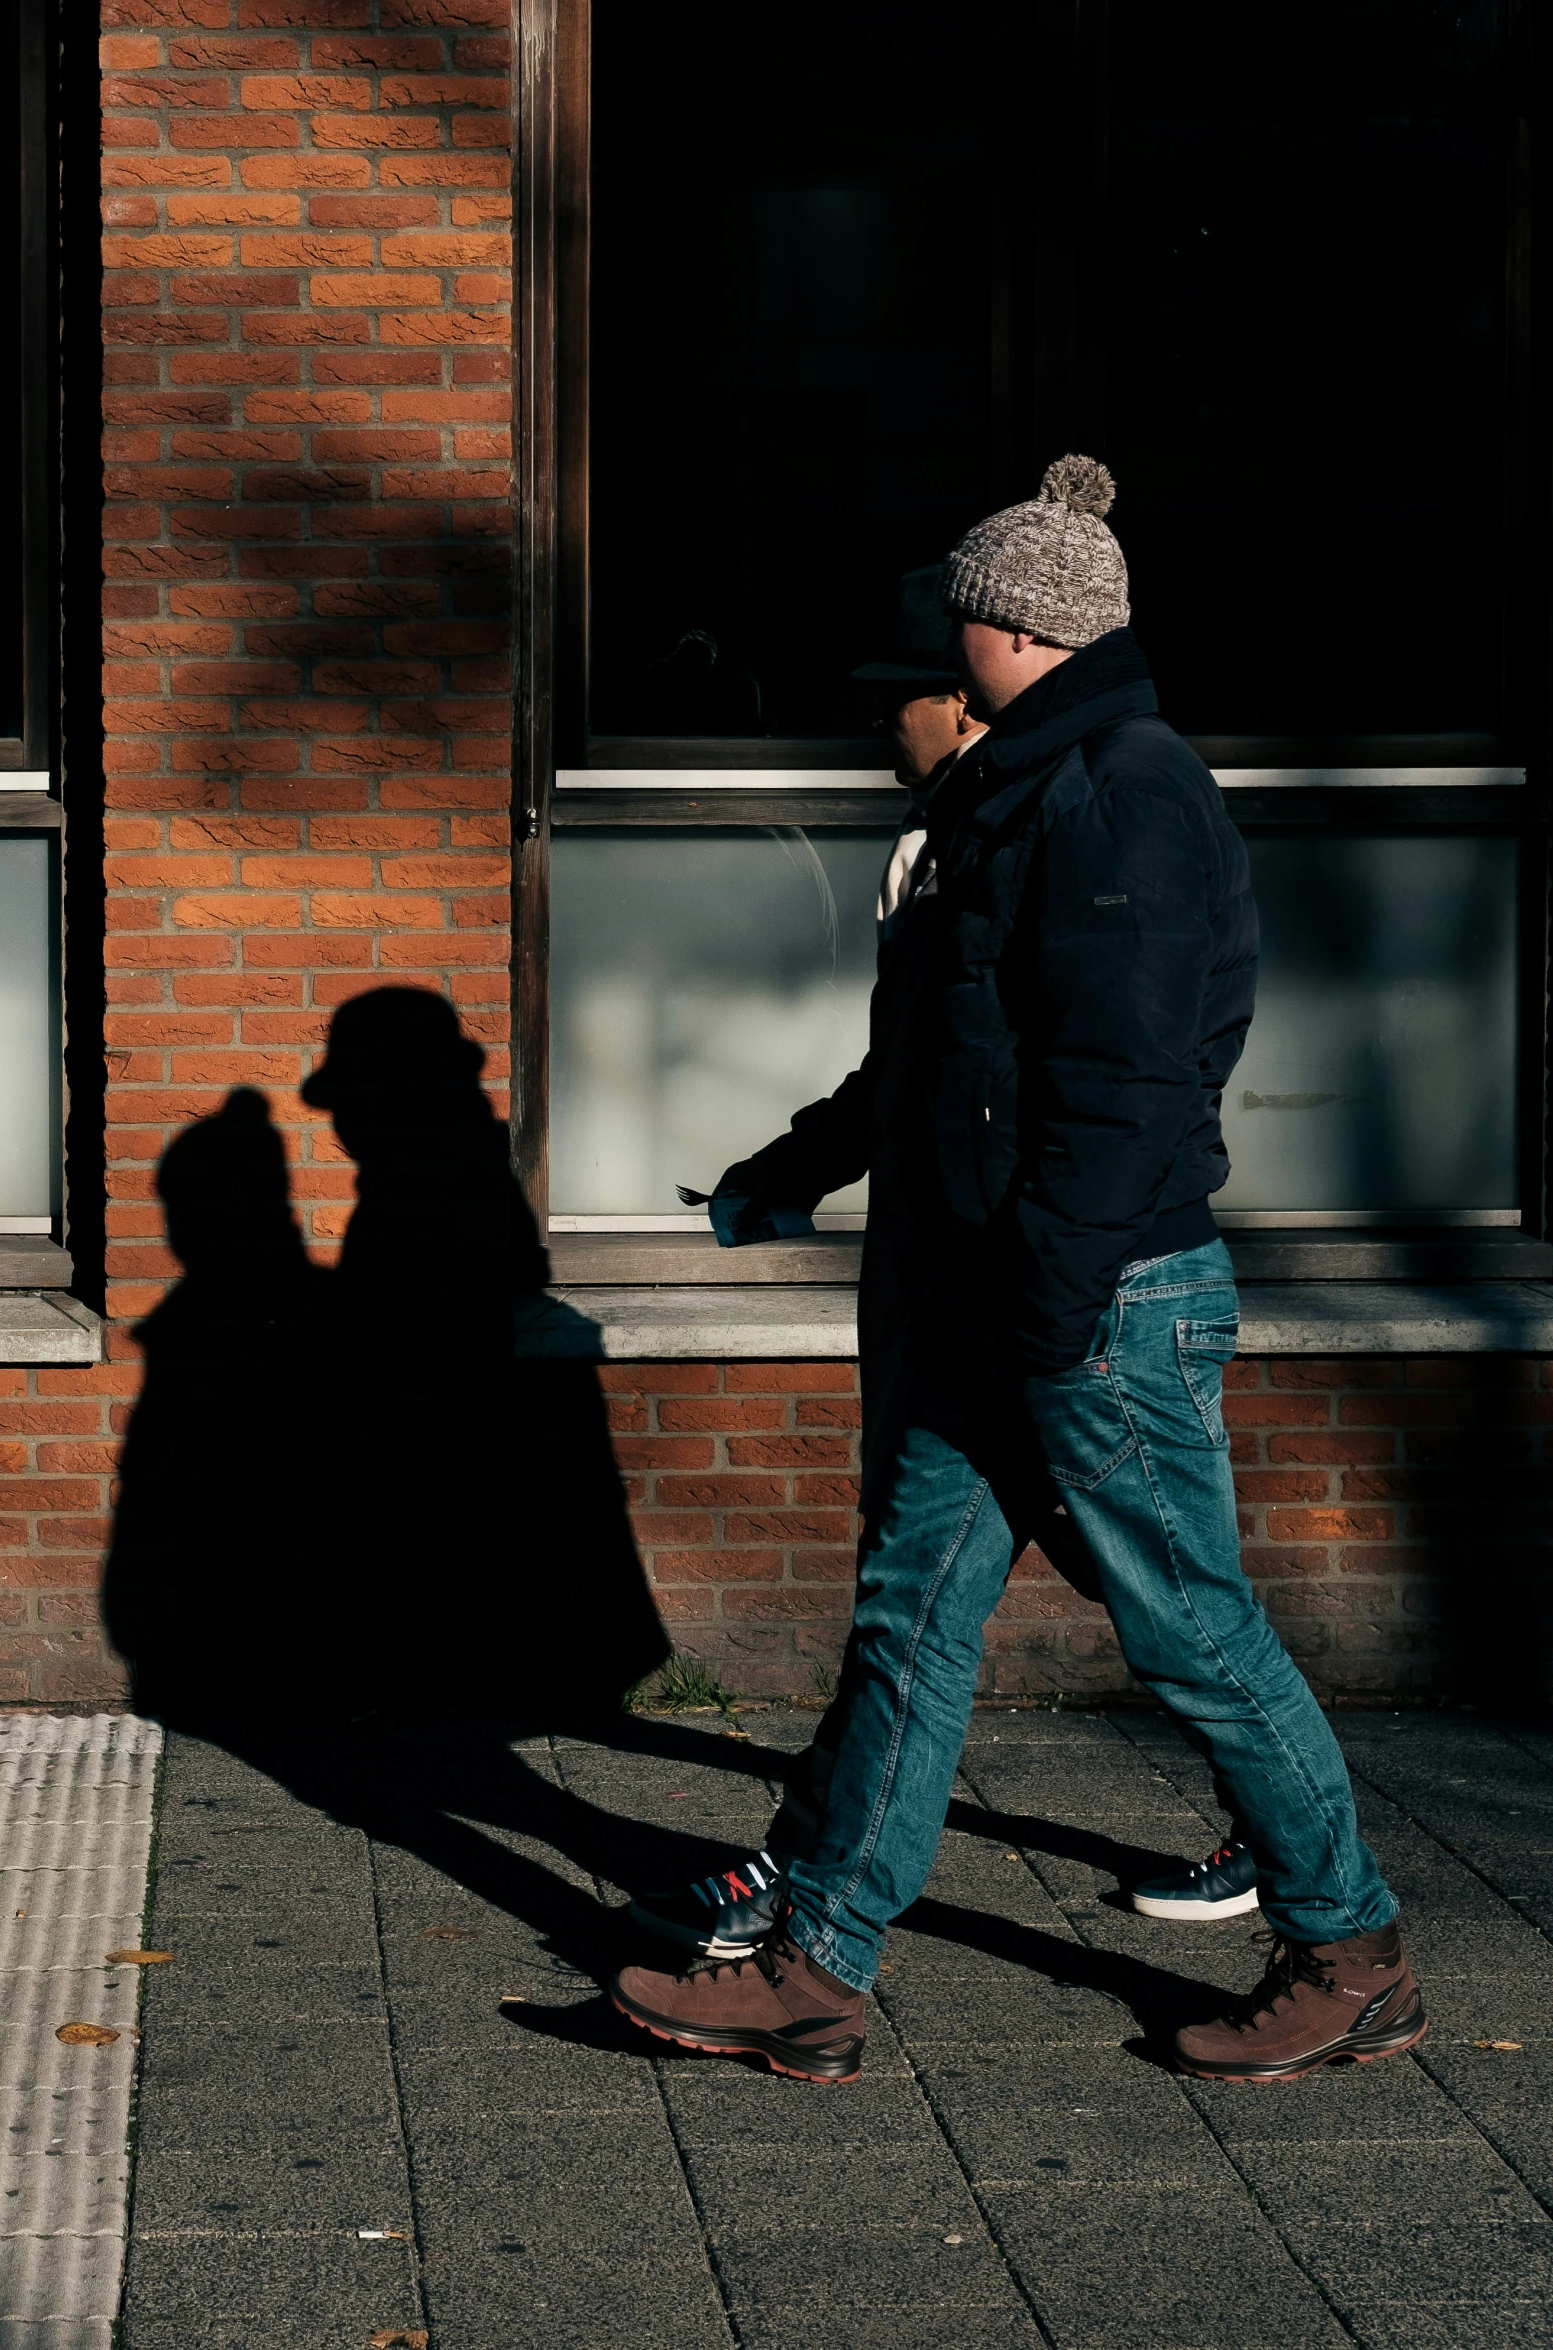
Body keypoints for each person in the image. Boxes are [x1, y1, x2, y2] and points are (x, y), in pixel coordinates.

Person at [612, 456, 1424, 2086]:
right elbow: (941, 1061)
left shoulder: (1125, 789)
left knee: (1192, 1633)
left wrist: (1049, 1316)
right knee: (910, 1625)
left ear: (1013, 626)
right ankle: (814, 1972)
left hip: (1092, 1305)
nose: (942, 637)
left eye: (962, 610)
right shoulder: (1017, 792)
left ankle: (1347, 1951)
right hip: (1016, 1299)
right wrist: (792, 1170)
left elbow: (1121, 1096)